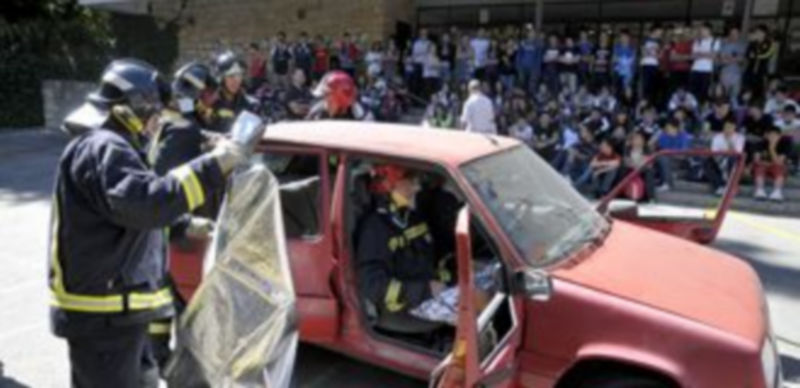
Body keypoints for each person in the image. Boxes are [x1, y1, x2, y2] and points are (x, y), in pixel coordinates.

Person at [51, 59, 246, 388]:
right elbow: (147, 203)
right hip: (104, 319)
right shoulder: (104, 147)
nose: (156, 125)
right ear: (134, 108)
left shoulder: (108, 147)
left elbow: (125, 218)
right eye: (154, 115)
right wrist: (217, 164)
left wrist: (182, 225)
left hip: (116, 316)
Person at [355, 165, 447, 331]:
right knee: (474, 316)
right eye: (411, 182)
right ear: (391, 186)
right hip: (400, 308)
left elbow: (427, 259)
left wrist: (449, 277)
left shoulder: (410, 216)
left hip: (428, 294)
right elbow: (372, 285)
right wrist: (424, 290)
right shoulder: (375, 228)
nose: (417, 187)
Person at [209, 51, 257, 133]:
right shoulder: (210, 104)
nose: (236, 80)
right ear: (221, 79)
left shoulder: (249, 104)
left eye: (239, 75)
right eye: (231, 76)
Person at [307, 70, 371, 120]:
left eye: (327, 95)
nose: (325, 100)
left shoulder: (362, 115)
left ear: (341, 99)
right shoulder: (317, 113)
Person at [753, 126, 792, 201]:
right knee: (759, 167)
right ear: (767, 136)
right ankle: (759, 190)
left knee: (779, 167)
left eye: (775, 135)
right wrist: (763, 162)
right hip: (763, 165)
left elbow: (779, 161)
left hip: (776, 166)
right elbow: (756, 159)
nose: (772, 137)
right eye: (770, 135)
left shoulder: (785, 144)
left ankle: (777, 191)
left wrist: (771, 148)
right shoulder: (760, 143)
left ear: (780, 136)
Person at [708, 118, 745, 195]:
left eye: (730, 127)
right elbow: (714, 152)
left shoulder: (740, 138)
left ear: (734, 128)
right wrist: (720, 160)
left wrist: (728, 141)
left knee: (732, 158)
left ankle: (730, 185)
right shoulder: (717, 137)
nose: (728, 129)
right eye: (726, 127)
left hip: (733, 161)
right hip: (719, 160)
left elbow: (737, 153)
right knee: (707, 161)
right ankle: (720, 186)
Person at [653, 118, 692, 191]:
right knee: (660, 158)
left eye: (669, 128)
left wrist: (671, 154)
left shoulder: (684, 137)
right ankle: (660, 181)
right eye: (666, 128)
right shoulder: (664, 135)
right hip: (667, 159)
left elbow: (683, 155)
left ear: (676, 128)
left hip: (681, 162)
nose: (667, 130)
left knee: (664, 158)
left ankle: (667, 183)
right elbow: (660, 149)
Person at [744, 25, 777, 99]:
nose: (758, 33)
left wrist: (755, 55)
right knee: (747, 90)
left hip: (761, 71)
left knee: (759, 91)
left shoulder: (769, 43)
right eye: (757, 32)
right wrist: (752, 55)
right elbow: (747, 55)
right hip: (750, 70)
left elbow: (767, 55)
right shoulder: (752, 43)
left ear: (764, 33)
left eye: (760, 32)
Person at [690, 23, 720, 104]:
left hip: (707, 70)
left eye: (703, 30)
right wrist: (707, 54)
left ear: (709, 30)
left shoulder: (715, 41)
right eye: (701, 30)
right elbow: (693, 56)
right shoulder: (697, 41)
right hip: (695, 69)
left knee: (704, 92)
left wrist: (700, 54)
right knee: (693, 92)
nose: (701, 32)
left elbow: (714, 56)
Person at [718, 26, 747, 103]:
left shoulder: (742, 46)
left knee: (734, 97)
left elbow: (743, 59)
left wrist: (729, 58)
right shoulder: (724, 45)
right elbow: (722, 60)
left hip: (737, 74)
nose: (733, 35)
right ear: (729, 34)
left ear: (739, 34)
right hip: (725, 73)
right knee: (724, 97)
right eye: (732, 33)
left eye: (736, 33)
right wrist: (735, 58)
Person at [516, 26, 543, 95]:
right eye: (530, 33)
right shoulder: (523, 43)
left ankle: (531, 101)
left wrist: (537, 69)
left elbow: (538, 58)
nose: (531, 34)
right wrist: (518, 66)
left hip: (533, 69)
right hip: (523, 68)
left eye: (533, 33)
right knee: (522, 86)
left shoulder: (537, 44)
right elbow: (519, 55)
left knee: (532, 87)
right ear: (528, 34)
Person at [640, 26, 663, 104]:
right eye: (659, 32)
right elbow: (643, 52)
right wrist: (653, 53)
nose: (660, 34)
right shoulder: (645, 40)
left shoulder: (659, 41)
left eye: (661, 33)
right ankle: (644, 102)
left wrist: (651, 53)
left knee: (653, 86)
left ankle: (651, 103)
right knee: (646, 85)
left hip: (655, 65)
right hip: (646, 64)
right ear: (654, 31)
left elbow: (660, 55)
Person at [668, 26, 693, 92]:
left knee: (686, 91)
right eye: (684, 34)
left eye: (688, 33)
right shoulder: (675, 44)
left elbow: (692, 57)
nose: (686, 35)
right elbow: (672, 58)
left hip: (687, 71)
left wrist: (679, 56)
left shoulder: (691, 44)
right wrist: (686, 57)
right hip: (675, 70)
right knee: (673, 90)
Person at [411, 29, 432, 96]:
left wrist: (422, 52)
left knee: (425, 82)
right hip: (417, 64)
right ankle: (415, 98)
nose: (423, 35)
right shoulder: (417, 43)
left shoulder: (429, 43)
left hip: (426, 65)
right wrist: (423, 52)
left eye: (425, 34)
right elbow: (414, 54)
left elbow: (430, 53)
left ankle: (423, 97)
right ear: (420, 35)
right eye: (422, 34)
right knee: (416, 82)